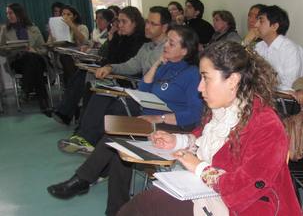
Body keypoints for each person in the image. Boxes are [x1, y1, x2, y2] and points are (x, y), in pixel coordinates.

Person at [117, 40, 302, 216]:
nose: (199, 87)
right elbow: (204, 136)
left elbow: (246, 187)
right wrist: (177, 141)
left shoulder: (266, 125)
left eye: (206, 78)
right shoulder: (226, 109)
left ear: (232, 81)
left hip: (248, 207)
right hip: (215, 195)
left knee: (147, 205)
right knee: (146, 203)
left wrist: (200, 168)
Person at [47, 25, 204, 216]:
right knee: (118, 148)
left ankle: (83, 181)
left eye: (171, 43)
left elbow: (195, 114)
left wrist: (159, 117)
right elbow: (144, 90)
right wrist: (156, 65)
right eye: (167, 41)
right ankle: (114, 209)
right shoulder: (166, 66)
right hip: (148, 120)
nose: (166, 45)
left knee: (116, 139)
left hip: (175, 126)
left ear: (185, 50)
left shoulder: (192, 73)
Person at [55, 6, 164, 154]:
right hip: (135, 86)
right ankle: (84, 137)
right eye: (148, 22)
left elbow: (157, 76)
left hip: (145, 90)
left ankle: (88, 139)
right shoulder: (147, 46)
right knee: (100, 92)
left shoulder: (168, 48)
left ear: (165, 27)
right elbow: (131, 64)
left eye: (153, 23)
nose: (148, 26)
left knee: (108, 98)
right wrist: (111, 67)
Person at [0, 3, 49, 115]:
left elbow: (44, 49)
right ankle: (43, 101)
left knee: (32, 57)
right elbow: (1, 50)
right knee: (33, 63)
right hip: (18, 62)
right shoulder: (5, 30)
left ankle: (26, 90)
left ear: (19, 13)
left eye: (11, 13)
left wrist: (34, 50)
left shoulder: (33, 28)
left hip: (36, 58)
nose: (8, 16)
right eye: (7, 13)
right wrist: (8, 49)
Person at [254, 5, 303, 90]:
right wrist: (245, 42)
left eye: (261, 21)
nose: (256, 25)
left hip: (283, 100)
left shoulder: (291, 50)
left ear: (275, 26)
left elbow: (289, 86)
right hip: (263, 95)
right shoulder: (259, 46)